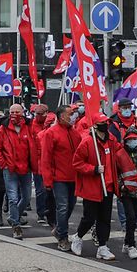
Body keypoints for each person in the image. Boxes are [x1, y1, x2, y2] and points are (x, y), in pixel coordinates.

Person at [72, 113, 120, 261]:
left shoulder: (111, 140)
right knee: (89, 217)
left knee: (105, 218)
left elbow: (119, 152)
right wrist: (93, 169)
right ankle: (78, 237)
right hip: (92, 186)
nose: (106, 125)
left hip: (108, 185)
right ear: (95, 125)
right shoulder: (87, 142)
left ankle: (102, 246)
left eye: (107, 122)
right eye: (103, 123)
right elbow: (77, 163)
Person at [0, 103, 34, 239]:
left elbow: (35, 145)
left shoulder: (29, 127)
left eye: (17, 112)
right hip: (10, 169)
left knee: (26, 197)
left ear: (22, 112)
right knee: (13, 198)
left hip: (26, 168)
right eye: (12, 112)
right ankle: (16, 225)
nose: (15, 114)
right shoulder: (3, 129)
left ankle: (13, 216)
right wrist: (3, 164)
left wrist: (34, 163)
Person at [40, 105, 79, 251]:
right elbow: (46, 158)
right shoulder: (51, 133)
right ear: (62, 116)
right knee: (62, 207)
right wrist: (47, 180)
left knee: (70, 206)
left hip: (73, 177)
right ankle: (62, 236)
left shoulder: (75, 133)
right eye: (71, 113)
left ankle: (59, 229)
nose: (74, 116)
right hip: (59, 178)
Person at [114, 127, 137, 259]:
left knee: (133, 218)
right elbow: (116, 173)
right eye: (130, 139)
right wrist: (121, 186)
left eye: (135, 139)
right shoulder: (120, 154)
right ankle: (131, 245)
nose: (132, 141)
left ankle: (127, 243)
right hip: (126, 191)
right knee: (130, 217)